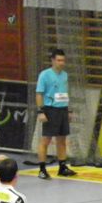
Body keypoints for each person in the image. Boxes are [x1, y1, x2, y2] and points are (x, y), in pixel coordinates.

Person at [35, 48, 77, 180]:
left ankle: (62, 167)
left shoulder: (65, 75)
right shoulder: (44, 75)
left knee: (62, 140)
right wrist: (41, 111)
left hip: (62, 109)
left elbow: (65, 93)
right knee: (45, 140)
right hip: (50, 109)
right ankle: (42, 169)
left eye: (63, 60)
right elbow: (39, 94)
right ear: (52, 60)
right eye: (59, 60)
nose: (61, 63)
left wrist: (68, 110)